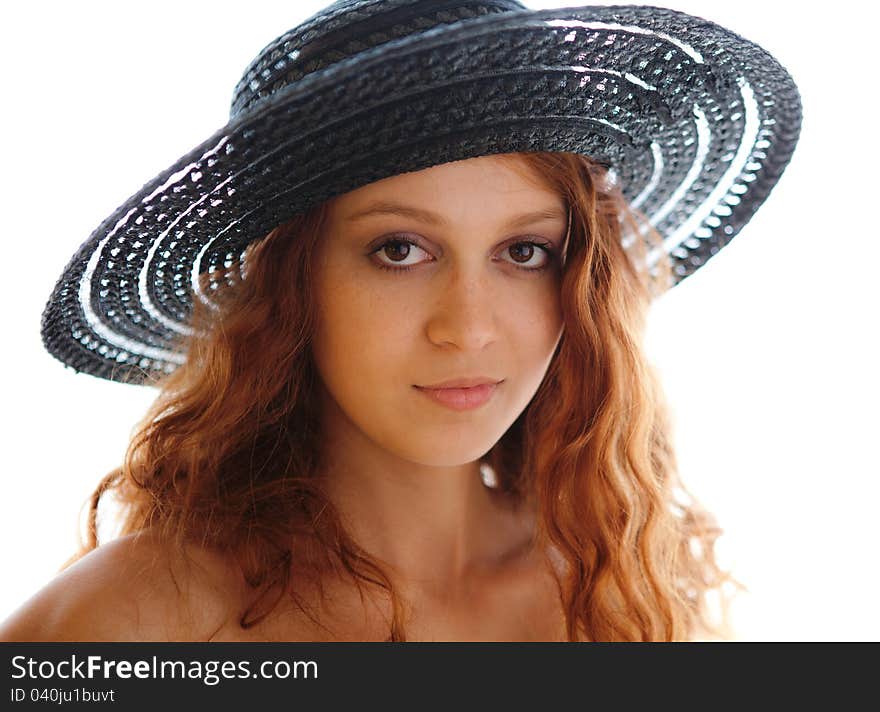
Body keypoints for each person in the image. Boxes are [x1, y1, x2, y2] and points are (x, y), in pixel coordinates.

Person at [0, 0, 801, 642]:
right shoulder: (142, 624)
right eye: (399, 248)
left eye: (524, 251)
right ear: (289, 282)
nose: (469, 328)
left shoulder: (630, 591)